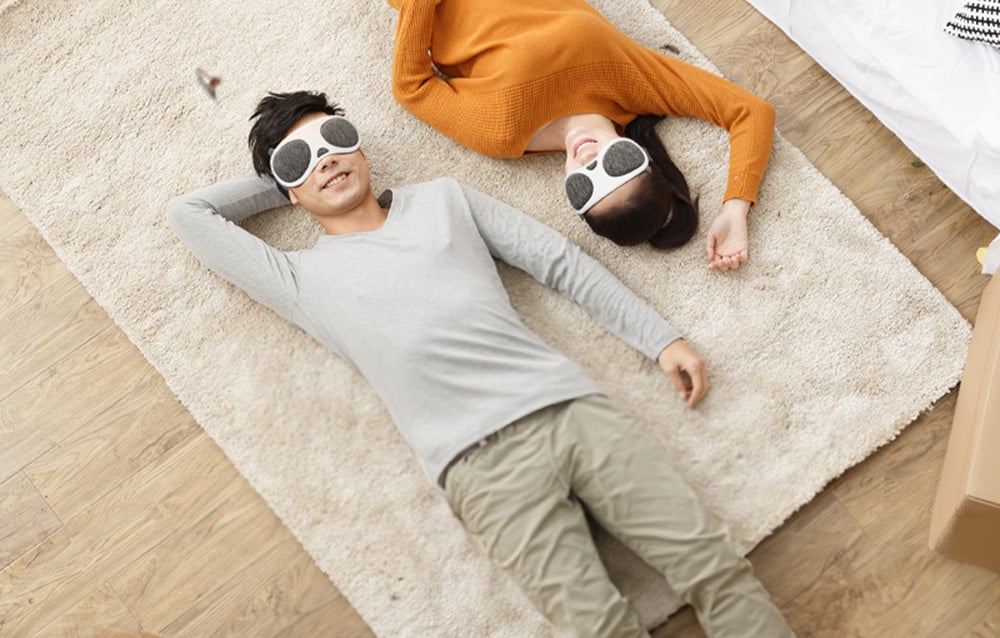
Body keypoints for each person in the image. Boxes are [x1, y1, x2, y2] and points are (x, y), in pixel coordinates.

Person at [166, 90, 794, 637]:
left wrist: (660, 339)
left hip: (569, 412)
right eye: (299, 159)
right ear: (287, 193)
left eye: (335, 138)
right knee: (598, 628)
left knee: (714, 569)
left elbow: (558, 262)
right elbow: (188, 215)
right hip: (479, 471)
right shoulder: (296, 279)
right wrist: (287, 174)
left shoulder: (445, 200)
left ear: (360, 146)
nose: (326, 158)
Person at [388, 0, 776, 272]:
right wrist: (735, 208)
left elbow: (412, 87)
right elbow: (750, 112)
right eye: (616, 167)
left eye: (584, 188)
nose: (589, 162)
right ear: (641, 156)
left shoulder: (504, 134)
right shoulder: (633, 84)